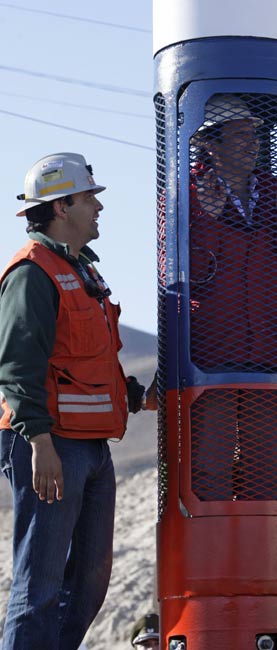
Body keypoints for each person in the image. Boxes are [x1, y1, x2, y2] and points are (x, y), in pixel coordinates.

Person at [0, 153, 148, 650]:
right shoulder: (32, 272)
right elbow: (17, 365)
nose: (98, 207)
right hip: (49, 446)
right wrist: (40, 443)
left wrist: (134, 396)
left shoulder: (83, 272)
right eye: (89, 198)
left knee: (87, 585)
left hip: (90, 447)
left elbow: (86, 363)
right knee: (38, 588)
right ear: (61, 207)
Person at [187, 94, 277, 500]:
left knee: (270, 473)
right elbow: (189, 279)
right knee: (210, 471)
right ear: (211, 144)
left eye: (254, 135)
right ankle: (215, 543)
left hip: (269, 355)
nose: (252, 144)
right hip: (210, 359)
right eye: (240, 135)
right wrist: (207, 218)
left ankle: (262, 544)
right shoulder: (186, 194)